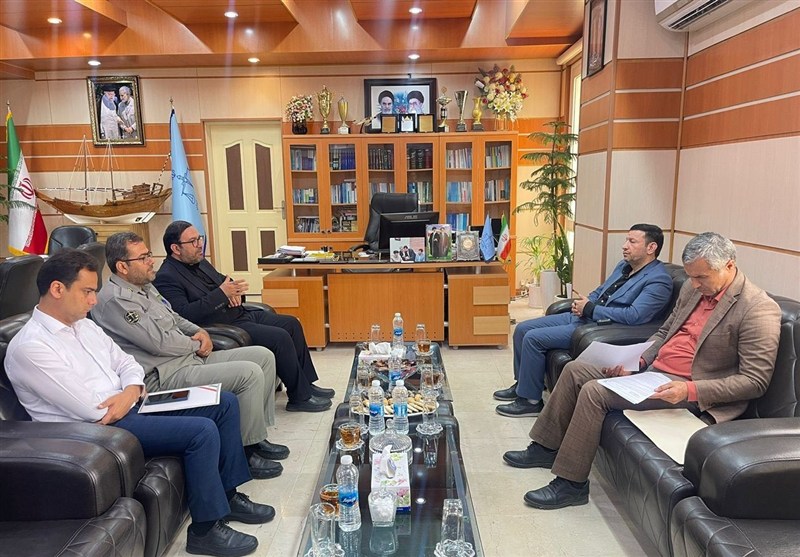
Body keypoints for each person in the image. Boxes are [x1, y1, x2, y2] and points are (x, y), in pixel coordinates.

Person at [5, 249, 275, 557]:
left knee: (223, 403)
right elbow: (91, 409)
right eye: (87, 291)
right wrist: (130, 391)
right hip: (97, 431)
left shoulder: (84, 326)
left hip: (131, 404)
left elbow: (127, 363)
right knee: (201, 432)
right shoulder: (31, 347)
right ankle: (205, 530)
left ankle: (227, 496)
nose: (94, 300)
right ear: (57, 289)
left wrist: (131, 388)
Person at [503, 232, 781, 510]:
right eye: (691, 277)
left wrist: (688, 390)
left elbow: (754, 381)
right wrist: (637, 363)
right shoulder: (692, 289)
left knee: (595, 392)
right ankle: (545, 448)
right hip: (653, 374)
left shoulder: (757, 309)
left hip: (688, 389)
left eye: (702, 277)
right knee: (575, 370)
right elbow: (664, 332)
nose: (695, 284)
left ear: (729, 265)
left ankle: (571, 485)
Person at [91, 232, 287, 480]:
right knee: (248, 373)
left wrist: (200, 331)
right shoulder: (114, 300)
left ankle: (255, 437)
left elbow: (174, 317)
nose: (151, 261)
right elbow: (158, 343)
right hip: (163, 374)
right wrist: (196, 344)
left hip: (186, 360)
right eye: (143, 257)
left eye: (149, 254)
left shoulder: (145, 286)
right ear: (122, 266)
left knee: (263, 356)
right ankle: (245, 453)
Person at [152, 221, 334, 412]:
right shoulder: (166, 277)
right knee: (279, 337)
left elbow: (225, 281)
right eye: (193, 241)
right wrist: (222, 294)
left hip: (240, 313)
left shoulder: (200, 262)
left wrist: (235, 292)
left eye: (200, 238)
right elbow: (184, 315)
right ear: (176, 248)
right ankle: (299, 398)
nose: (200, 245)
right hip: (222, 325)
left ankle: (307, 384)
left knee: (291, 323)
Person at [495, 224, 673, 417]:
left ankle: (530, 402)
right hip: (585, 317)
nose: (624, 246)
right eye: (626, 240)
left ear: (651, 247)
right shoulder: (623, 266)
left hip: (602, 327)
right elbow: (601, 291)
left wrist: (591, 309)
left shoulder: (658, 280)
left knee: (533, 338)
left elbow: (635, 316)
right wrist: (583, 304)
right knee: (522, 329)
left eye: (632, 241)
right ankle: (522, 384)